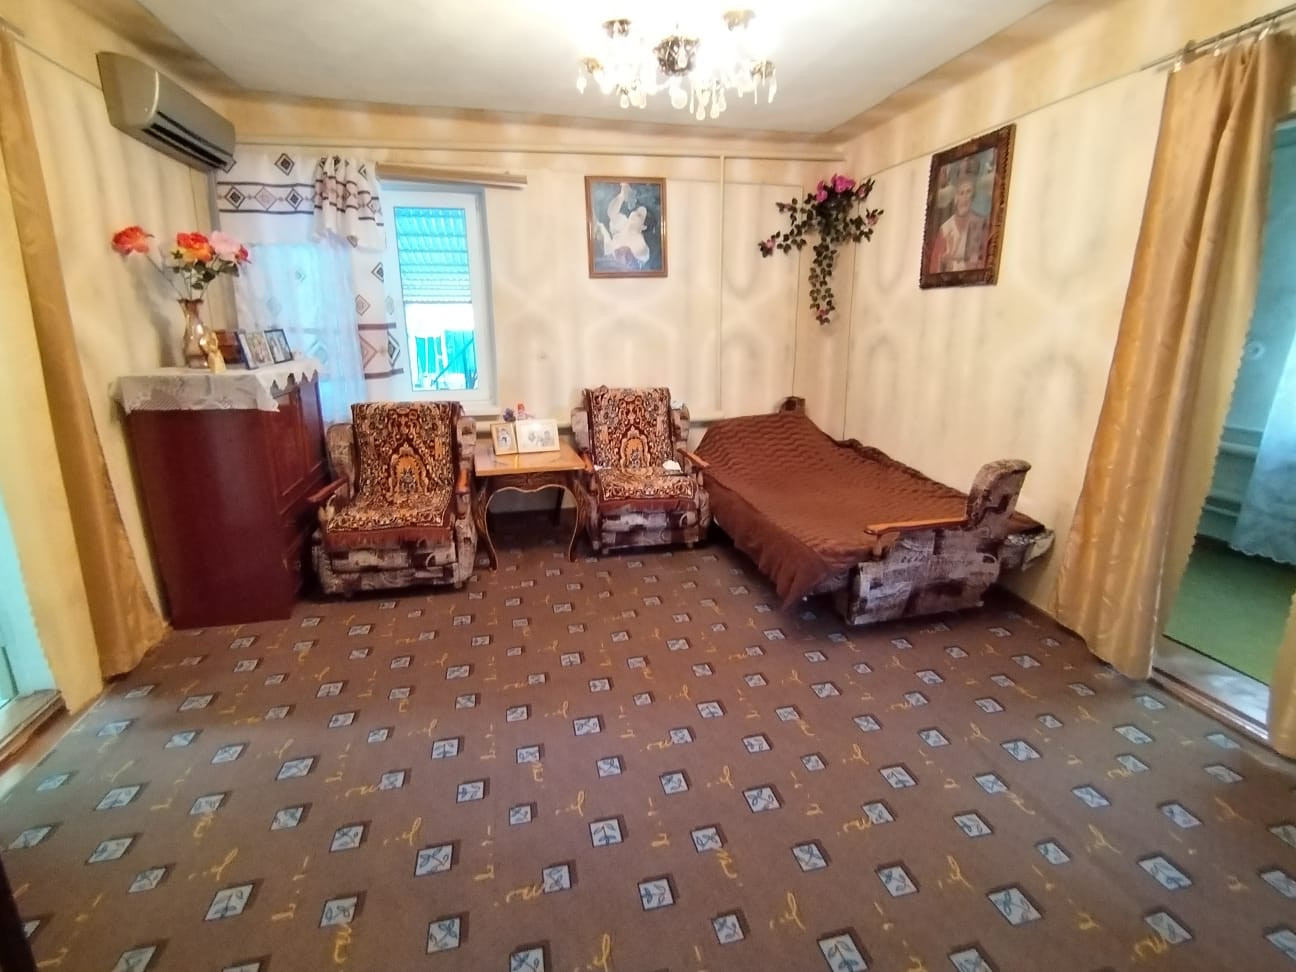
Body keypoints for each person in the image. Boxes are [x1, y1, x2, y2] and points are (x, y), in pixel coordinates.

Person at [927, 168, 989, 274]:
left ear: (973, 195)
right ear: (956, 197)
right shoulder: (945, 229)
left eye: (968, 192)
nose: (965, 197)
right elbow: (935, 266)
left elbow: (985, 258)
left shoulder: (981, 223)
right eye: (961, 193)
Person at [594, 182, 651, 269]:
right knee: (598, 225)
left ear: (643, 226)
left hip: (618, 268)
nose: (634, 214)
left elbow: (639, 261)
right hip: (603, 259)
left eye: (639, 215)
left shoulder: (640, 244)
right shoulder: (622, 222)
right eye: (635, 211)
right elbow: (611, 213)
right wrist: (622, 196)